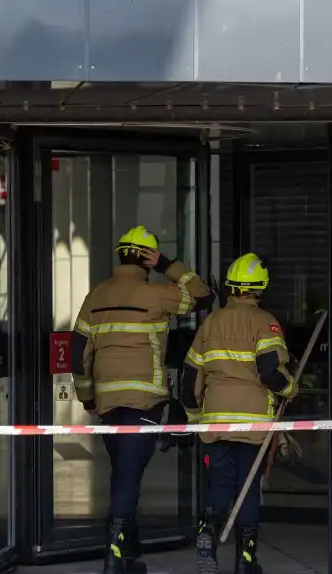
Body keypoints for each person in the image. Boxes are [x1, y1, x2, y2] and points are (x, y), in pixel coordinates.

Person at [71, 225, 214, 574]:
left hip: (107, 400)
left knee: (124, 470)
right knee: (127, 476)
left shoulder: (96, 296)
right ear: (146, 260)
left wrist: (87, 397)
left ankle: (127, 551)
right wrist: (169, 264)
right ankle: (114, 559)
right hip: (144, 400)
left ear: (121, 255)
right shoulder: (158, 295)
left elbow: (77, 354)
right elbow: (204, 295)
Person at [180, 252, 297, 574]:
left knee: (220, 483)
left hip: (215, 420)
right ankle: (246, 560)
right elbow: (270, 372)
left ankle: (207, 533)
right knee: (248, 487)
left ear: (231, 286)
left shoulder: (211, 322)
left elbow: (189, 378)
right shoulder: (265, 322)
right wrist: (290, 389)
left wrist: (194, 418)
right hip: (253, 422)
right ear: (260, 288)